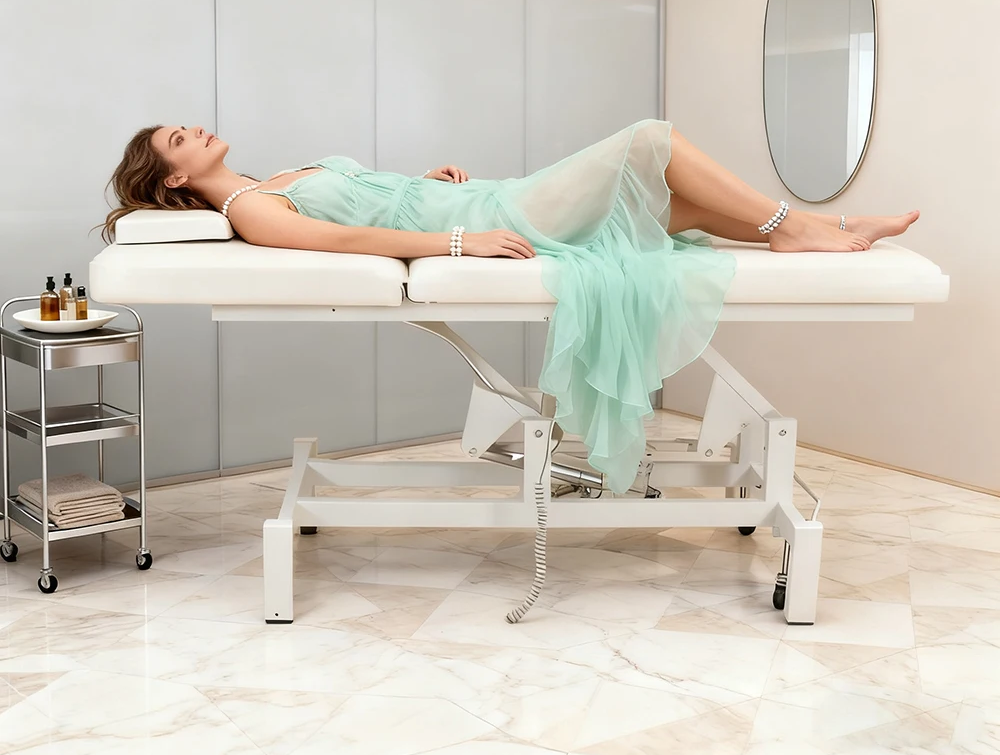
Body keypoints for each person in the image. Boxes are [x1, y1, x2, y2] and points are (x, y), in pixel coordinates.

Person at [101, 119, 919, 493]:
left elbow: (369, 204)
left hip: (479, 197)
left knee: (673, 209)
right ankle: (797, 227)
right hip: (498, 217)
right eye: (179, 140)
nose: (195, 129)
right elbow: (340, 241)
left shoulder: (272, 177)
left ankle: (828, 228)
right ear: (175, 178)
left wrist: (426, 183)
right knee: (651, 142)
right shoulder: (251, 209)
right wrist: (457, 241)